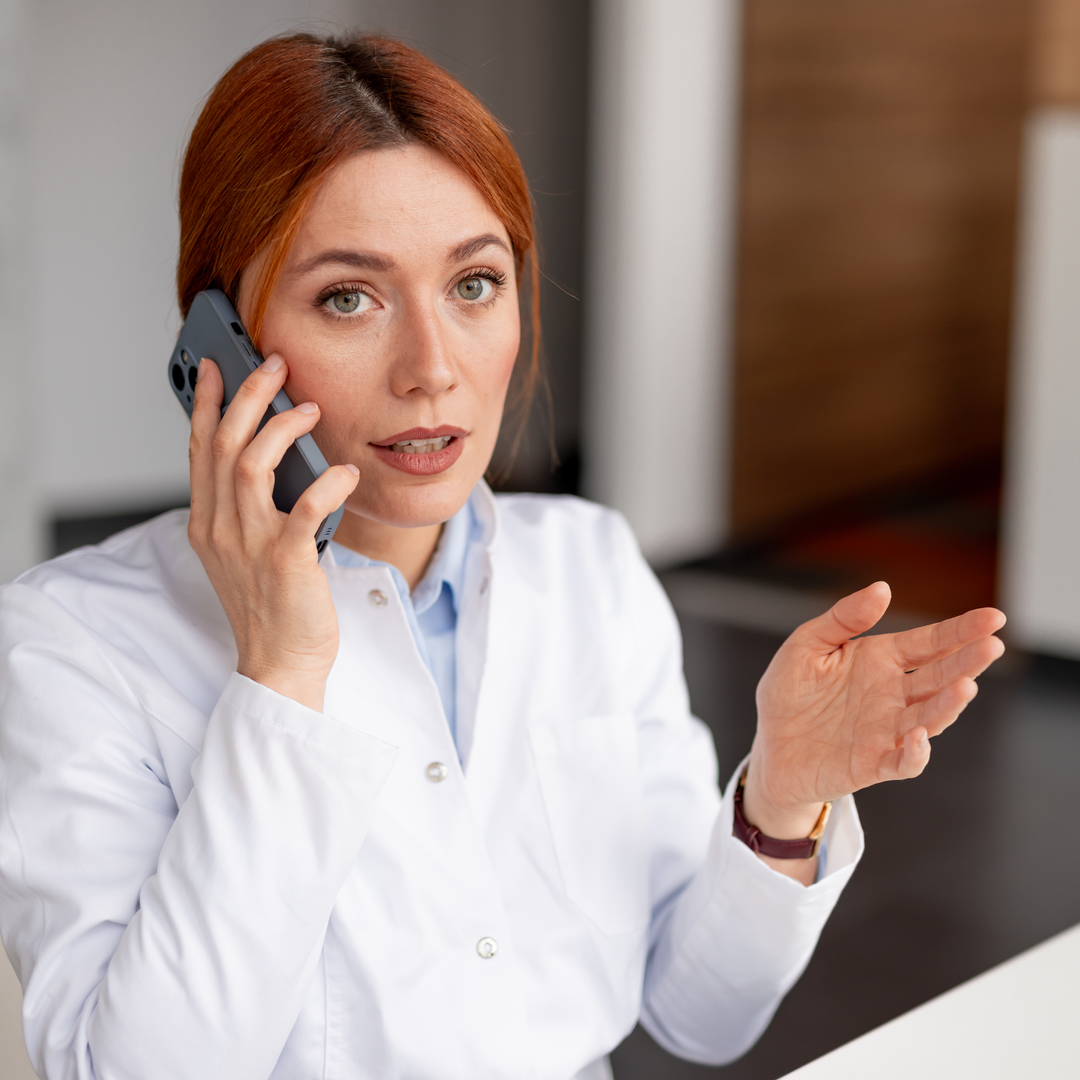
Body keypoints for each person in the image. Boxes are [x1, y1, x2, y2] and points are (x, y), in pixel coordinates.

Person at [0, 32, 1006, 1080]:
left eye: (474, 284)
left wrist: (781, 804)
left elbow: (698, 1016)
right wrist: (281, 681)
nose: (432, 369)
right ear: (221, 345)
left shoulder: (591, 569)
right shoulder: (74, 646)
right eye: (350, 297)